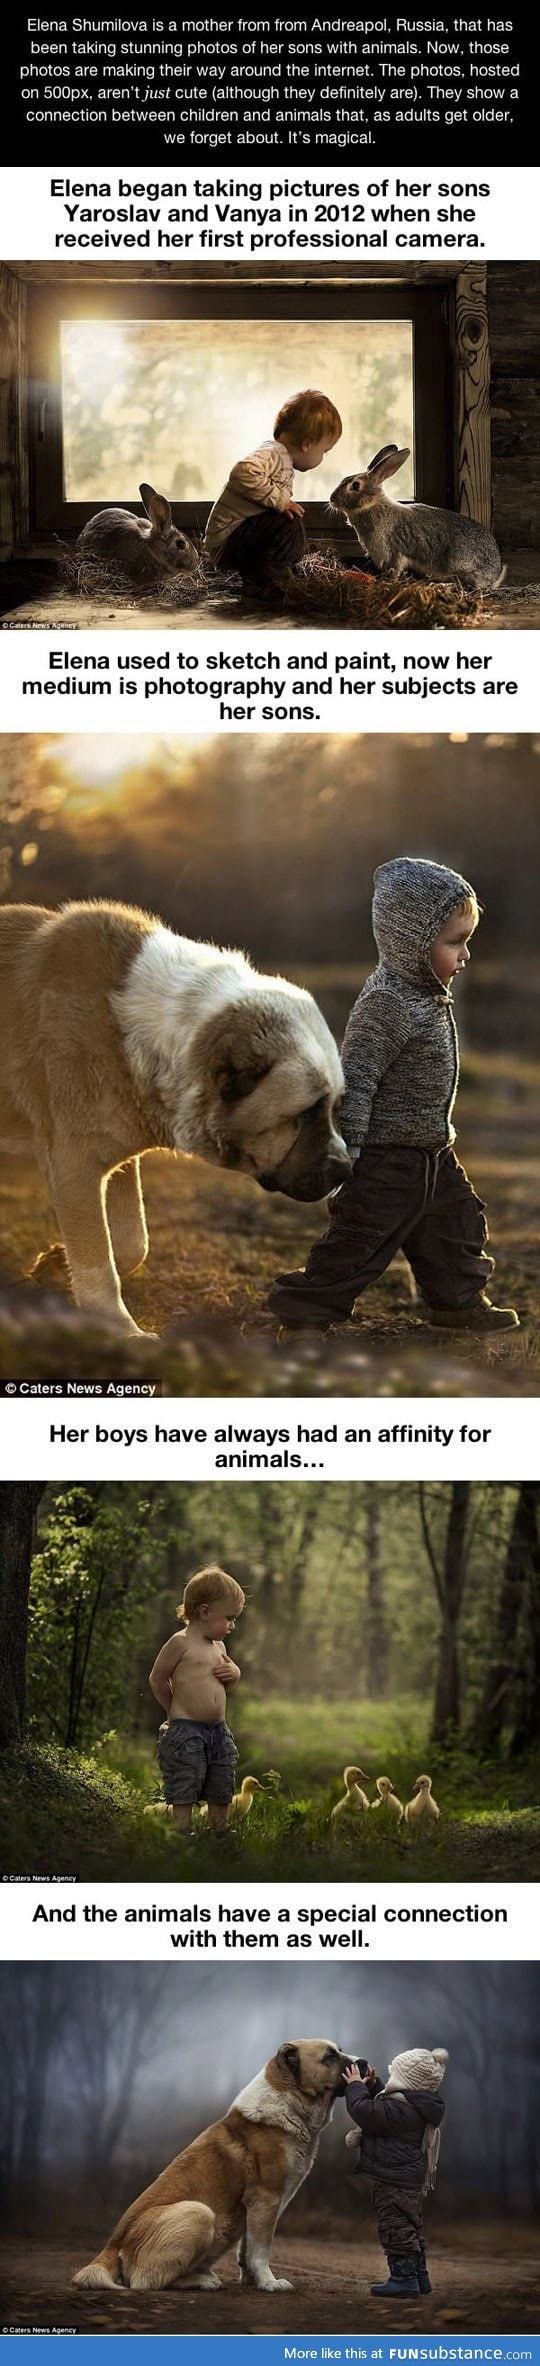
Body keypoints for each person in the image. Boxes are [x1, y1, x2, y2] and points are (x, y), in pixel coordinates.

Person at [267, 855, 519, 1333]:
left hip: (433, 1152)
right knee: (360, 1239)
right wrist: (349, 1152)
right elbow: (356, 1079)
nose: (465, 955)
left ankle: (458, 1302)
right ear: (413, 942)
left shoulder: (428, 993)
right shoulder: (387, 1002)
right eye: (455, 942)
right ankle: (307, 1307)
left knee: (456, 1227)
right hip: (385, 1159)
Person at [204, 387, 342, 599]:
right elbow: (242, 472)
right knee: (287, 523)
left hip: (238, 539)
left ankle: (278, 576)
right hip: (227, 541)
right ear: (307, 445)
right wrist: (281, 500)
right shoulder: (273, 454)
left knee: (289, 519)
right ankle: (267, 585)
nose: (323, 457)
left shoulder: (281, 457)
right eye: (324, 451)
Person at [343, 2045, 448, 2298]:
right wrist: (372, 2085)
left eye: (394, 2076)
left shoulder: (400, 2111)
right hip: (406, 2178)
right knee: (409, 2226)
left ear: (406, 2080)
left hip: (394, 2180)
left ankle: (403, 2280)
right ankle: (419, 2277)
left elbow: (364, 2111)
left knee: (395, 2226)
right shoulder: (414, 2105)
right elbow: (386, 2107)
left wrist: (355, 2086)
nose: (390, 2080)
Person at [149, 1564, 245, 1835]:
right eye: (229, 1618)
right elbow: (157, 1678)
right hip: (186, 1731)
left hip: (218, 1730)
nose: (232, 1626)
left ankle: (219, 1828)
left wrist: (235, 1673)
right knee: (186, 1777)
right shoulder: (180, 1643)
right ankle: (181, 1829)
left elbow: (224, 1686)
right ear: (204, 1612)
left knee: (221, 1775)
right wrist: (172, 1710)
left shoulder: (219, 1647)